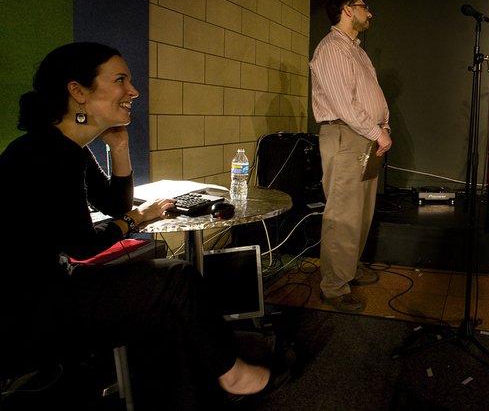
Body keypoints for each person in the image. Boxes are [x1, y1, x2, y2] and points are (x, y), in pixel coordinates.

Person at [0, 42, 288, 409]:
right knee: (176, 277)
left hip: (46, 292)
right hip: (25, 311)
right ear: (78, 92)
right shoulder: (45, 154)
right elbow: (83, 244)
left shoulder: (68, 149)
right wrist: (138, 218)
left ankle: (205, 386)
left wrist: (119, 149)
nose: (133, 91)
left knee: (164, 310)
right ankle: (234, 374)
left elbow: (113, 203)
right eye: (120, 80)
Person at [309, 0, 392, 313]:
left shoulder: (355, 50)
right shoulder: (331, 49)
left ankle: (348, 267)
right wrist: (376, 131)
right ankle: (334, 285)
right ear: (347, 9)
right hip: (346, 136)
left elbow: (371, 96)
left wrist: (383, 128)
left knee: (360, 210)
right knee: (343, 213)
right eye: (363, 7)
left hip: (365, 137)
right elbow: (344, 104)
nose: (369, 14)